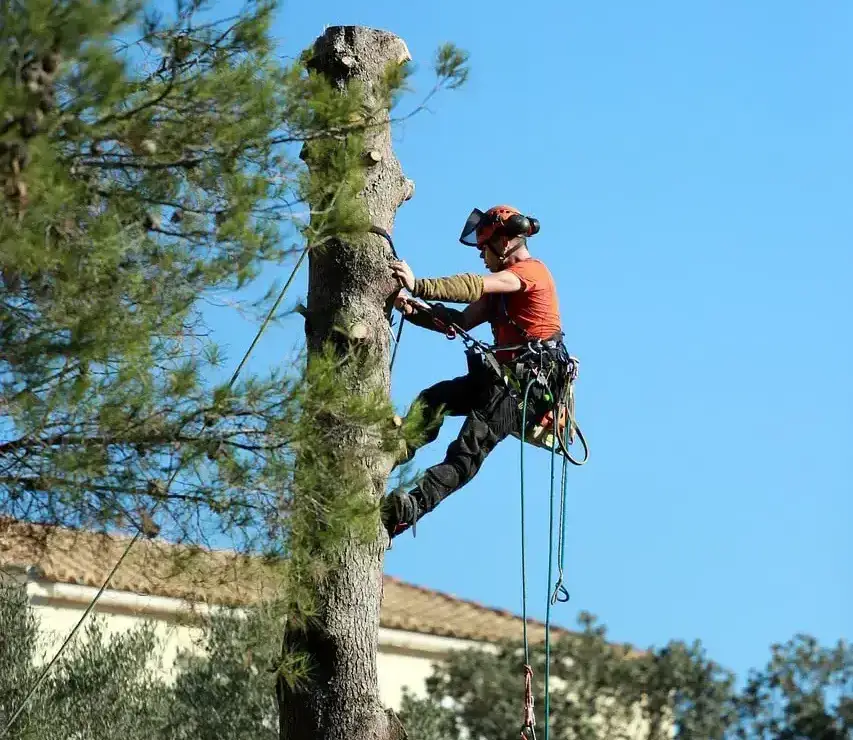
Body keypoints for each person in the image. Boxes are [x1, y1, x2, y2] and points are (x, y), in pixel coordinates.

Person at [381, 204, 570, 539]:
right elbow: (460, 320)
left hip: (527, 385)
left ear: (506, 242)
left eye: (485, 247)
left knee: (467, 450)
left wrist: (419, 285)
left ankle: (410, 509)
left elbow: (473, 286)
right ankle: (395, 449)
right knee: (434, 399)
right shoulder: (501, 293)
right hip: (502, 378)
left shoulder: (530, 273)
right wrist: (410, 308)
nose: (481, 255)